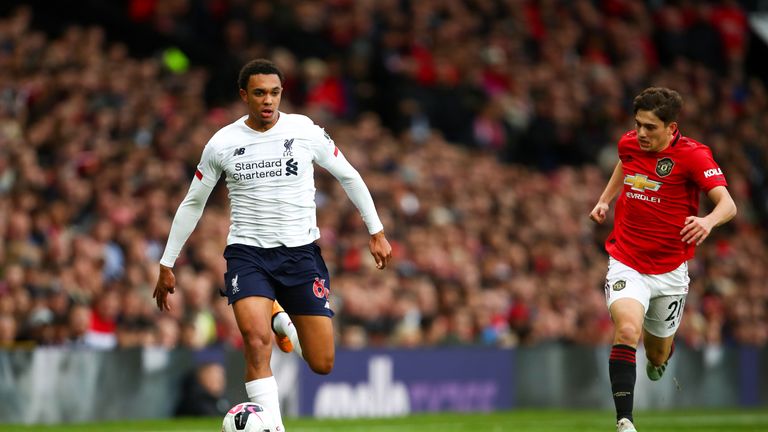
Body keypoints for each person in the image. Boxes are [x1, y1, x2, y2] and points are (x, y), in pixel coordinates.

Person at [153, 58, 392, 431]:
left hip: (301, 256)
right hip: (248, 256)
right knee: (254, 338)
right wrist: (167, 263)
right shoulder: (223, 143)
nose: (268, 101)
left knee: (322, 362)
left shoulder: (304, 131)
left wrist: (376, 231)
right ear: (244, 95)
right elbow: (192, 203)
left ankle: (281, 320)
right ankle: (274, 428)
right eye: (260, 93)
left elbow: (349, 175)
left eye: (275, 93)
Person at [589, 87, 736, 432]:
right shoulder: (629, 144)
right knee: (626, 330)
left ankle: (661, 360)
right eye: (638, 124)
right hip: (627, 260)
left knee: (656, 356)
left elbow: (728, 204)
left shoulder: (695, 157)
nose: (641, 133)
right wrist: (605, 200)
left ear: (672, 128)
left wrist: (707, 221)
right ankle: (625, 421)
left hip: (670, 271)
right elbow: (624, 165)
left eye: (650, 127)